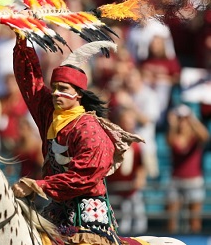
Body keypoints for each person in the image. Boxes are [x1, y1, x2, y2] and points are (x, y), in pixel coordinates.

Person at [11, 35, 144, 245]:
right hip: (56, 208)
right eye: (54, 87)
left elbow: (84, 176)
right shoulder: (51, 115)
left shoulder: (90, 129)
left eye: (63, 89)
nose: (55, 93)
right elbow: (32, 84)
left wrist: (38, 185)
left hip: (88, 213)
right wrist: (22, 42)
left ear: (78, 94)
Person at [166, 104, 210, 233]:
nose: (183, 121)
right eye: (180, 118)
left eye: (185, 118)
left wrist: (193, 119)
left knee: (194, 220)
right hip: (176, 180)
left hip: (194, 180)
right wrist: (173, 124)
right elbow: (169, 141)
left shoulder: (195, 137)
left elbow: (205, 136)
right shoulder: (173, 135)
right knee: (171, 218)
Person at [107, 106, 148, 235]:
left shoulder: (137, 143)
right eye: (126, 120)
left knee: (137, 221)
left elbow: (141, 165)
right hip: (114, 187)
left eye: (132, 120)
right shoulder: (112, 142)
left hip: (131, 189)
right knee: (118, 222)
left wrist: (140, 179)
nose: (130, 123)